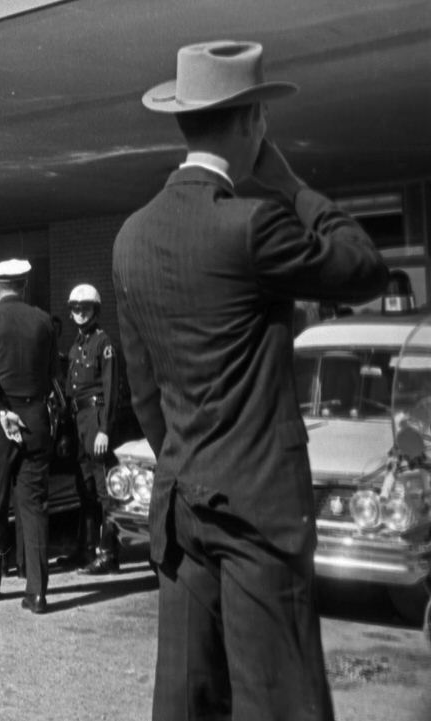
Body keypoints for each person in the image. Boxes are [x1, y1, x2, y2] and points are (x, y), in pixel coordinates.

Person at [112, 40, 388, 721]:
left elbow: (145, 393)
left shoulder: (131, 236)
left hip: (182, 509)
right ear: (249, 123)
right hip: (260, 510)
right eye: (261, 116)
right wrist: (291, 185)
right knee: (279, 700)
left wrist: (187, 454)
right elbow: (364, 267)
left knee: (186, 701)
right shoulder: (256, 223)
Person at [0, 259, 55, 614]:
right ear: (25, 285)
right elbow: (52, 373)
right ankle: (37, 591)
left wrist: (1, 408)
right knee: (33, 506)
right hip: (35, 416)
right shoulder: (44, 321)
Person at [63, 283, 123, 575]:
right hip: (80, 422)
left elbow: (112, 391)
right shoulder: (77, 345)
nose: (79, 313)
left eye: (84, 308)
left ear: (95, 311)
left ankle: (109, 553)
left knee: (104, 491)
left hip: (97, 419)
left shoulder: (103, 343)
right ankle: (85, 549)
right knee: (84, 489)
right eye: (75, 308)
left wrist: (105, 429)